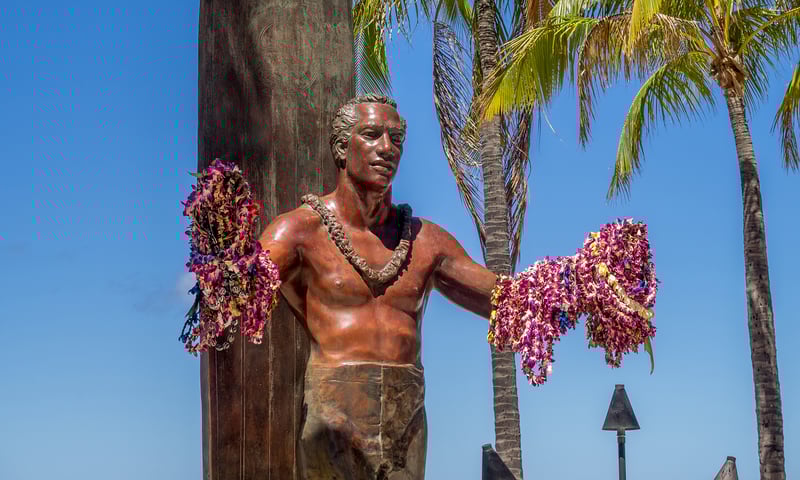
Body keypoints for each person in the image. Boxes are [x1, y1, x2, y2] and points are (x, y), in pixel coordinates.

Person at [258, 93, 497, 479]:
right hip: (333, 412)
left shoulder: (425, 241)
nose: (387, 149)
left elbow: (507, 300)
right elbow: (240, 290)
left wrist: (587, 282)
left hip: (406, 413)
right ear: (341, 147)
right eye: (371, 135)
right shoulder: (300, 231)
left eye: (396, 139)